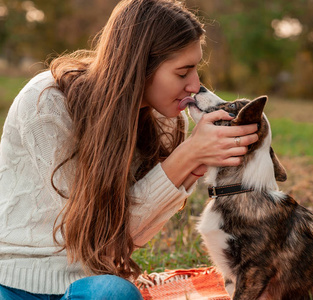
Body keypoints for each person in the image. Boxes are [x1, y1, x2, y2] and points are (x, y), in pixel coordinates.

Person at [0, 0, 258, 299]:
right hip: (13, 279)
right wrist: (185, 158)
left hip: (89, 284)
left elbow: (125, 240)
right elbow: (94, 235)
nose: (195, 85)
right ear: (138, 66)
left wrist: (191, 167)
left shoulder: (168, 121)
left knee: (115, 293)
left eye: (195, 69)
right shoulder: (47, 103)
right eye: (182, 72)